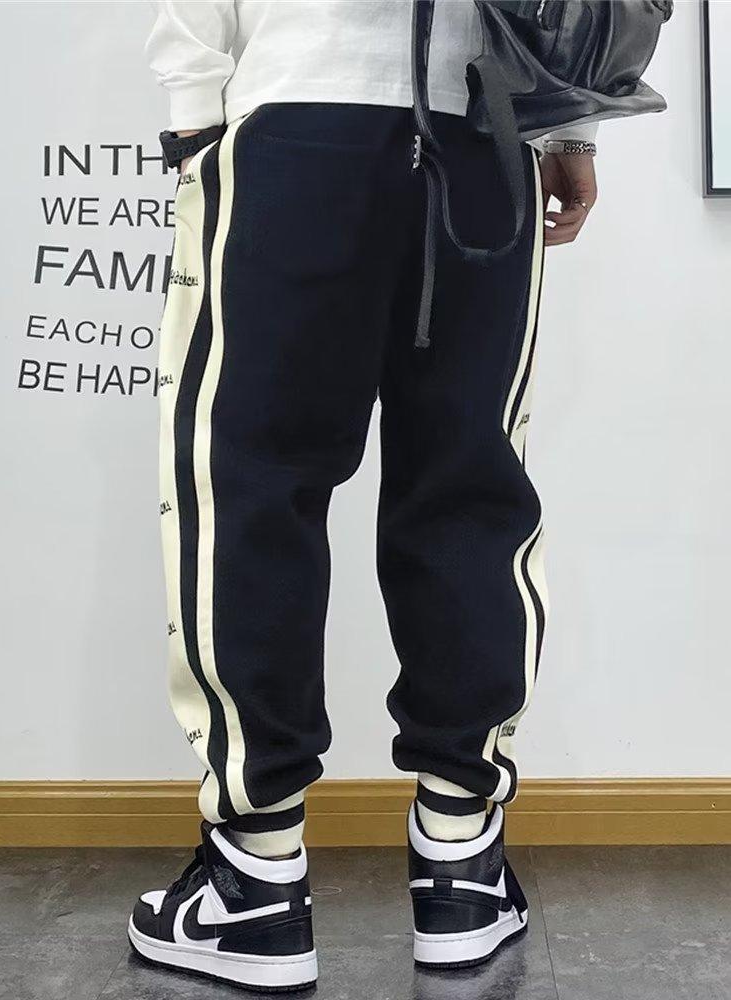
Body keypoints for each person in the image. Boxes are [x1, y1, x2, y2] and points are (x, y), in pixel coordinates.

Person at [128, 1, 597, 990]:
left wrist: (196, 115)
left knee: (252, 483)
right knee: (468, 487)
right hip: (484, 128)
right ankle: (463, 863)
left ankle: (254, 879)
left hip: (300, 120)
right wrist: (567, 126)